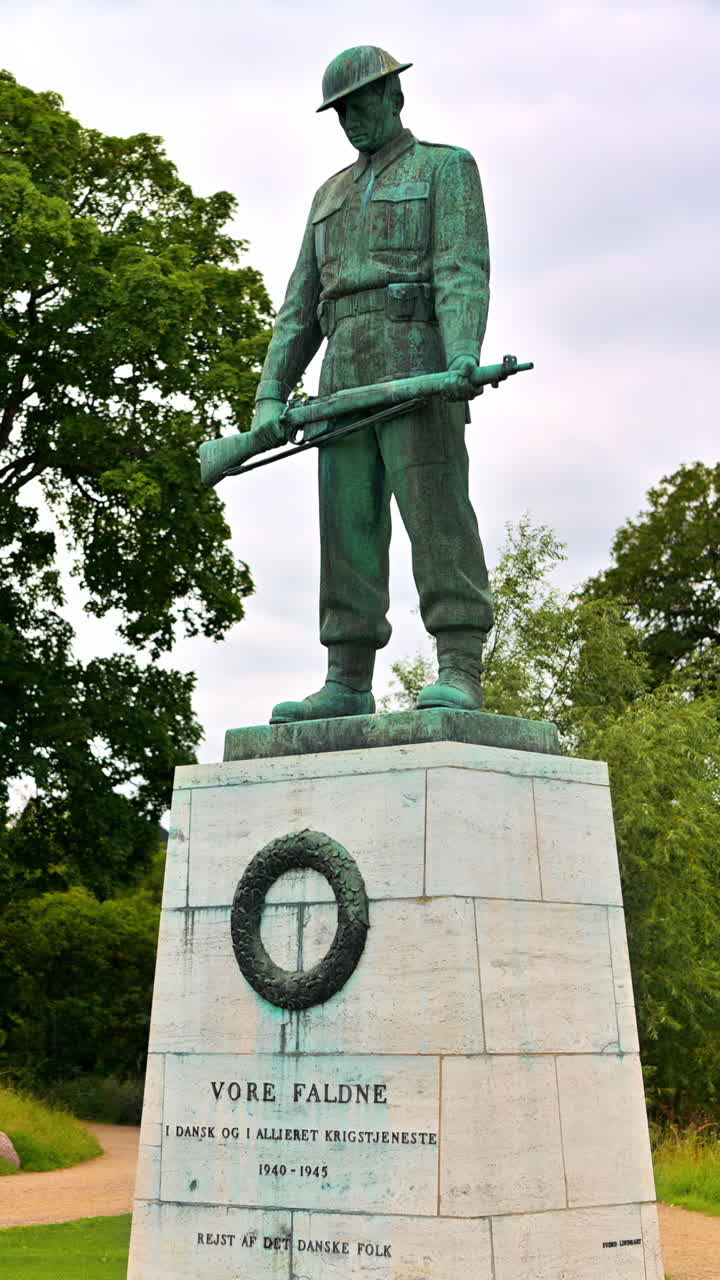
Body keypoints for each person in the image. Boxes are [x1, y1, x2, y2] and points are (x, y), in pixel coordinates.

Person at [253, 46, 494, 724]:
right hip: (343, 370)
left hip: (417, 357)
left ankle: (459, 664)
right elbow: (300, 304)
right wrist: (272, 393)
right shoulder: (327, 194)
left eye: (361, 104)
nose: (352, 120)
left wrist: (463, 353)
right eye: (341, 112)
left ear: (393, 97)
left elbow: (461, 266)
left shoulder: (445, 167)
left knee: (437, 516)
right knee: (347, 530)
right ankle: (347, 678)